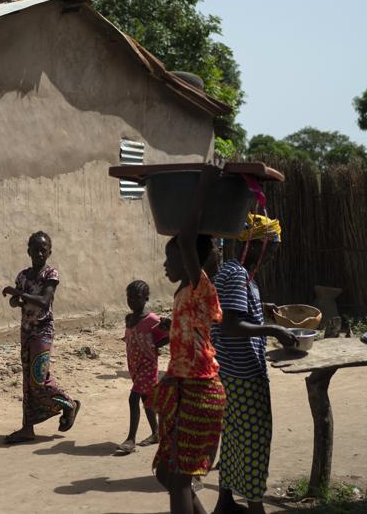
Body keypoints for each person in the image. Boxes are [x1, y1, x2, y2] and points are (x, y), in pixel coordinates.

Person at [152, 166, 227, 514]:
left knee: (179, 479)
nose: (165, 266)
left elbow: (187, 239)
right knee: (168, 473)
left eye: (170, 259)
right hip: (184, 388)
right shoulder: (185, 292)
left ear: (187, 260)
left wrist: (205, 187)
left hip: (199, 390)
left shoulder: (201, 288)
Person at [210, 215, 297, 514]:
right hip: (243, 374)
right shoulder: (236, 275)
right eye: (270, 248)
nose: (273, 255)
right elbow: (231, 325)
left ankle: (224, 502)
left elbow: (236, 310)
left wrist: (264, 308)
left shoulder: (237, 273)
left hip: (232, 372)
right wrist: (274, 331)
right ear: (257, 245)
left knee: (233, 438)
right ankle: (255, 506)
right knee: (255, 441)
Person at [1, 231, 81, 443]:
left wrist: (18, 295)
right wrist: (15, 300)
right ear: (28, 251)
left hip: (43, 332)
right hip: (26, 331)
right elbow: (17, 301)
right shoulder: (23, 276)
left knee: (38, 378)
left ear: (49, 252)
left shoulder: (51, 275)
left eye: (43, 249)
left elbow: (45, 301)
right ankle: (27, 428)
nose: (39, 253)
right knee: (27, 382)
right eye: (35, 249)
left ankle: (69, 404)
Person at [118, 279, 170, 454]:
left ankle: (130, 439)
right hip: (134, 365)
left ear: (146, 298)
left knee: (133, 398)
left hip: (148, 365)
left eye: (136, 297)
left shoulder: (152, 319)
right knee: (146, 400)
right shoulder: (129, 319)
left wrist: (155, 345)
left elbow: (168, 335)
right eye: (129, 297)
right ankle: (156, 433)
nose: (132, 300)